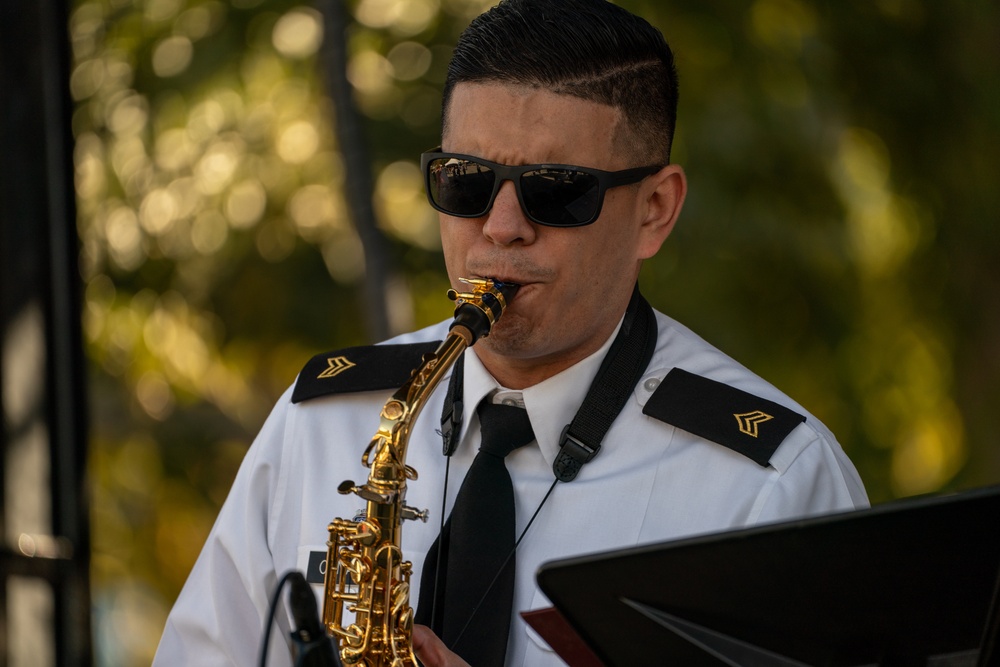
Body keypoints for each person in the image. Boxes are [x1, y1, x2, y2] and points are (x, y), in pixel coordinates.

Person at [153, 0, 869, 665]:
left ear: (654, 209)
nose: (499, 228)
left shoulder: (770, 485)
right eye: (465, 180)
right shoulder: (321, 420)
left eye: (555, 189)